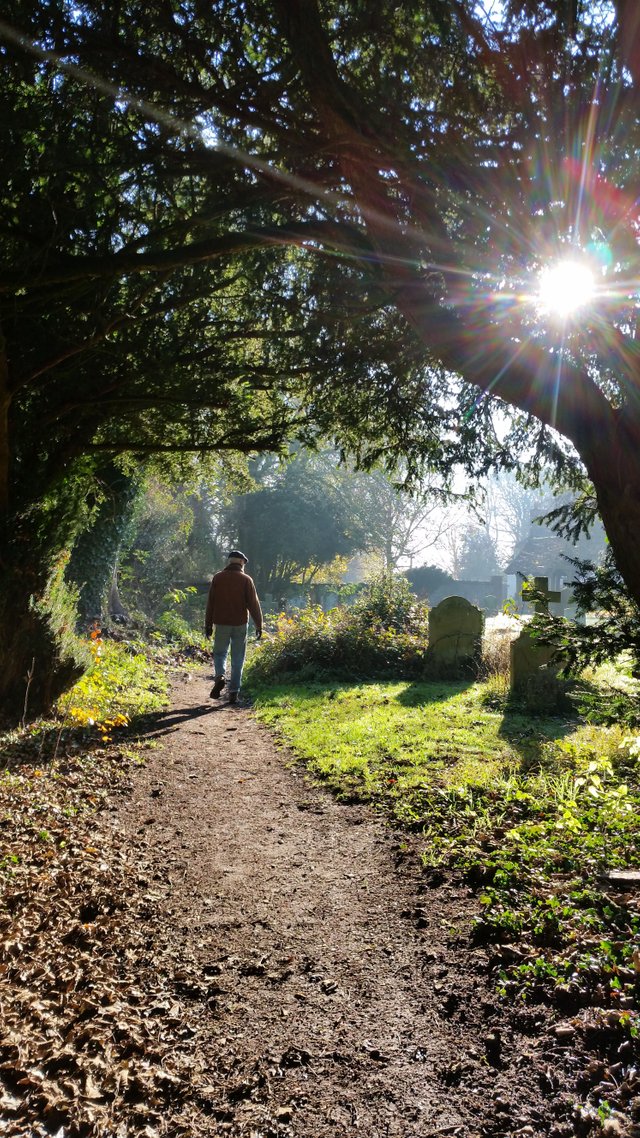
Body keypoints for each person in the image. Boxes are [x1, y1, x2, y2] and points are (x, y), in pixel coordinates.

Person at [204, 549, 263, 704]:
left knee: (220, 654)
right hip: (240, 624)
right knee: (238, 658)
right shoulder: (246, 579)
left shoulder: (218, 578)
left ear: (229, 562)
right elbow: (254, 605)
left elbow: (211, 603)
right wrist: (259, 625)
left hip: (221, 623)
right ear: (241, 563)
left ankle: (220, 677)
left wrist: (208, 625)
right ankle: (233, 692)